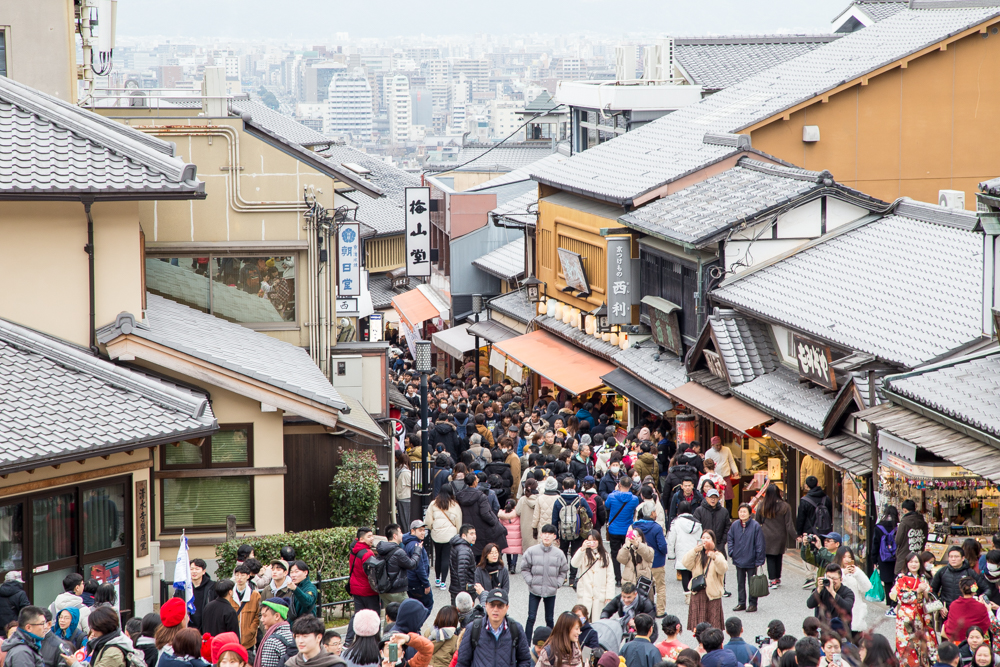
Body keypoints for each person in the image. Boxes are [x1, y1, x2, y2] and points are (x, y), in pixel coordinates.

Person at [454, 588, 531, 667]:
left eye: (500, 605)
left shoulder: (516, 629)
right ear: (486, 605)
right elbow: (462, 663)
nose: (495, 609)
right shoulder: (473, 629)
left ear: (507, 607)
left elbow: (525, 660)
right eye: (492, 605)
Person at [521, 524, 569, 641]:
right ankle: (526, 644)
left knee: (550, 618)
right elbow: (524, 568)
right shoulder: (532, 551)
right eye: (545, 533)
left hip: (551, 590)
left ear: (554, 536)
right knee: (531, 617)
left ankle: (551, 643)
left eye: (550, 534)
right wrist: (530, 581)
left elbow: (563, 570)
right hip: (534, 589)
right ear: (541, 535)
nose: (547, 536)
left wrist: (558, 583)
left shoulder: (559, 554)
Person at [67, 606, 146, 667]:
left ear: (102, 628)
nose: (92, 631)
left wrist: (75, 664)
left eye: (93, 627)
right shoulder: (109, 641)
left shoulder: (113, 651)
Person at [681, 529, 728, 632]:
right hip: (698, 592)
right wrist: (694, 551)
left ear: (713, 541)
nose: (705, 540)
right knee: (699, 627)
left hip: (712, 594)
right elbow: (685, 563)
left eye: (708, 538)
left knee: (713, 626)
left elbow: (723, 569)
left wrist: (714, 557)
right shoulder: (697, 555)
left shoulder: (718, 555)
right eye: (703, 538)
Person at [552, 477, 594, 586]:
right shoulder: (580, 499)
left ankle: (563, 577)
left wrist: (556, 535)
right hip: (577, 531)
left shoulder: (558, 501)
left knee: (563, 554)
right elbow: (589, 514)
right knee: (575, 554)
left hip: (563, 532)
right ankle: (572, 578)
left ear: (563, 487)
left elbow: (554, 520)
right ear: (575, 486)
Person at [456, 473, 506, 559]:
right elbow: (485, 514)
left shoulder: (459, 495)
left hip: (466, 526)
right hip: (480, 528)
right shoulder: (481, 496)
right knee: (480, 554)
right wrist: (494, 522)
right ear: (475, 482)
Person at [756, 485, 796, 590]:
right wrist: (796, 536)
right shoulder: (785, 506)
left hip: (767, 535)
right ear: (778, 493)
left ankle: (772, 579)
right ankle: (778, 578)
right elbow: (789, 524)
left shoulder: (762, 505)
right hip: (781, 535)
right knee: (779, 556)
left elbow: (757, 521)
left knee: (770, 557)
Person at [571, 530, 616, 623]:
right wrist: (582, 549)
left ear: (599, 541)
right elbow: (574, 563)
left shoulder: (606, 556)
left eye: (595, 540)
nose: (593, 543)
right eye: (590, 540)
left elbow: (610, 577)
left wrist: (609, 596)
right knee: (582, 622)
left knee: (597, 622)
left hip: (599, 594)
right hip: (585, 593)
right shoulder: (583, 554)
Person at [727, 503, 765, 613]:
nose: (742, 514)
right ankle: (741, 603)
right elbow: (730, 538)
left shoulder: (755, 526)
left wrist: (759, 559)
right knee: (740, 582)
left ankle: (753, 603)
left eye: (744, 512)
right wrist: (731, 552)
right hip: (738, 558)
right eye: (740, 511)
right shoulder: (734, 525)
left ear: (749, 513)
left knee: (752, 583)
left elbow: (760, 544)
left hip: (751, 559)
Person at [632, 503, 668, 617]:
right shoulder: (656, 527)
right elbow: (662, 546)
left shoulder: (635, 527)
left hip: (641, 562)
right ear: (652, 513)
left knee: (643, 585)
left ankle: (645, 609)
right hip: (656, 561)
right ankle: (660, 611)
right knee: (660, 586)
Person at [796, 477, 833, 588]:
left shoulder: (804, 500)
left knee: (808, 552)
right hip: (824, 531)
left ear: (807, 486)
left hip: (809, 531)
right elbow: (830, 514)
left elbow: (800, 519)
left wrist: (799, 533)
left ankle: (809, 576)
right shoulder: (826, 498)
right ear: (817, 483)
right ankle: (821, 575)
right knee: (822, 551)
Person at [606, 476, 642, 586]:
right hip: (628, 530)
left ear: (619, 484)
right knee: (630, 552)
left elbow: (607, 505)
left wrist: (615, 490)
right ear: (631, 485)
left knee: (615, 553)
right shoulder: (634, 499)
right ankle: (630, 577)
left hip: (614, 529)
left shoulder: (612, 496)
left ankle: (617, 578)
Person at [347, 528, 380, 644]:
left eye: (372, 536)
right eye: (369, 536)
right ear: (361, 539)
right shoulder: (368, 553)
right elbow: (371, 574)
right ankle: (375, 643)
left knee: (357, 616)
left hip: (356, 588)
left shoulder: (354, 549)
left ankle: (349, 641)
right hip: (368, 590)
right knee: (374, 617)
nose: (372, 539)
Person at [427, 486, 463, 591]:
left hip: (436, 533)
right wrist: (457, 532)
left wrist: (432, 527)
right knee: (446, 557)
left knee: (438, 555)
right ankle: (443, 582)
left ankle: (437, 579)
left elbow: (428, 520)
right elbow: (458, 521)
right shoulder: (455, 505)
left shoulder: (433, 504)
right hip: (450, 534)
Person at [692, 490, 731, 585]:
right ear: (706, 498)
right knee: (703, 566)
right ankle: (702, 585)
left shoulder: (723, 511)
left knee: (720, 565)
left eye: (715, 497)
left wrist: (722, 542)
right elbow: (696, 528)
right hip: (704, 545)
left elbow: (727, 528)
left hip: (719, 544)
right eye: (711, 497)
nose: (713, 500)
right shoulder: (699, 510)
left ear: (718, 498)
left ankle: (722, 586)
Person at [376, 524, 421, 606]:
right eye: (400, 532)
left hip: (384, 590)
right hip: (397, 591)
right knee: (406, 613)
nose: (402, 534)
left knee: (390, 616)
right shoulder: (398, 552)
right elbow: (411, 564)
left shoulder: (381, 550)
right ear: (395, 536)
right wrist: (417, 551)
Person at [668, 501, 702, 602]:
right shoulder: (697, 523)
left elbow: (671, 539)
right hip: (694, 551)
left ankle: (688, 596)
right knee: (693, 573)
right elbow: (701, 538)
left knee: (684, 574)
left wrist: (671, 554)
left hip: (681, 551)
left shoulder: (676, 522)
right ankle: (694, 592)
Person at [287, 615, 353, 667]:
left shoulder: (334, 664)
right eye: (297, 636)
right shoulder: (291, 663)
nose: (300, 641)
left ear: (318, 637)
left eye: (305, 636)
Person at [832, 547, 871, 633]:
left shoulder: (856, 571)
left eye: (849, 557)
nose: (847, 560)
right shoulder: (833, 570)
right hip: (838, 611)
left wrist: (857, 573)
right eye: (844, 557)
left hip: (856, 614)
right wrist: (843, 573)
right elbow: (831, 587)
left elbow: (867, 587)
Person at [943, 578, 991, 644]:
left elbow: (951, 624)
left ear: (961, 589)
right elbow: (986, 623)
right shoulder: (981, 606)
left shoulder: (954, 605)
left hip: (958, 642)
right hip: (977, 642)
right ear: (975, 589)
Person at [228, 564, 261, 657]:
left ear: (248, 576)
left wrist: (251, 630)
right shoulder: (229, 594)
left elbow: (258, 615)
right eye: (237, 575)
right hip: (232, 638)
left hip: (249, 639)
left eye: (242, 575)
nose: (239, 578)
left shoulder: (255, 595)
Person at [874, 505, 900, 617]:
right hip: (897, 557)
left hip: (883, 558)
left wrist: (874, 560)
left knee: (888, 581)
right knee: (897, 579)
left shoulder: (878, 527)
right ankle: (896, 603)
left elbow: (875, 544)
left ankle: (890, 604)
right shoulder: (899, 527)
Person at [403, 521, 433, 611]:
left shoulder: (409, 542)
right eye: (420, 530)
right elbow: (419, 568)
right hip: (417, 583)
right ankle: (416, 624)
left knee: (414, 607)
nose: (423, 532)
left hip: (410, 582)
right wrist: (426, 584)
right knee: (427, 606)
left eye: (424, 530)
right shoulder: (416, 545)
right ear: (413, 531)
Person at [254, 598, 293, 667]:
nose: (261, 619)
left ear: (277, 616)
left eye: (265, 615)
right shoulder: (291, 634)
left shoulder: (272, 641)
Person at [896, 499, 930, 578]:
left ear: (904, 510)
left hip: (904, 558)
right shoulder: (923, 523)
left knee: (902, 583)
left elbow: (898, 540)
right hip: (918, 557)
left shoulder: (904, 523)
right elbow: (925, 539)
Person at [449, 525, 478, 607]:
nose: (474, 536)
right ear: (464, 535)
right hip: (463, 590)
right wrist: (464, 594)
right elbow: (462, 573)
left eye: (475, 534)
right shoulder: (464, 550)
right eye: (471, 534)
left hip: (456, 588)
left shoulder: (458, 546)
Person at [183, 560, 216, 633]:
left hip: (206, 625)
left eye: (197, 569)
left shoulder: (212, 587)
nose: (194, 571)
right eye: (191, 569)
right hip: (188, 626)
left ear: (204, 571)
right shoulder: (184, 588)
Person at [499, 500, 522, 575]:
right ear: (515, 506)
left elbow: (500, 525)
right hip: (516, 537)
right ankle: (513, 566)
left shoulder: (502, 515)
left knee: (508, 550)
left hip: (506, 536)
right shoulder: (517, 515)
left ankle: (509, 565)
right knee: (515, 551)